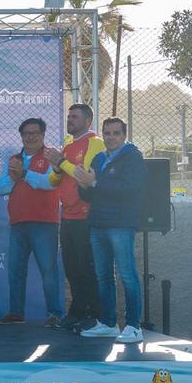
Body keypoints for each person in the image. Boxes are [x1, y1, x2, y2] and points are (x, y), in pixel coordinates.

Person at [77, 117, 147, 343]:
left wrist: (95, 183)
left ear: (124, 135)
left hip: (121, 224)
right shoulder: (99, 158)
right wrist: (84, 185)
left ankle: (134, 327)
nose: (111, 137)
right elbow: (88, 196)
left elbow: (130, 188)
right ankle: (108, 323)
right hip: (98, 224)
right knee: (103, 276)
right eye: (107, 133)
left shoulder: (133, 157)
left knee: (127, 275)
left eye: (116, 133)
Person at [0, 117, 64, 326]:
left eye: (35, 133)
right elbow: (0, 188)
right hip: (18, 223)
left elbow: (49, 184)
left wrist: (23, 174)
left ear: (43, 135)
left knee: (48, 270)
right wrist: (13, 178)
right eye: (27, 133)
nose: (31, 136)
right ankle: (16, 312)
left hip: (44, 222)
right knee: (15, 269)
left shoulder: (51, 156)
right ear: (22, 136)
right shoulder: (15, 158)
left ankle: (55, 314)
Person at [43, 103, 105, 331]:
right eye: (68, 116)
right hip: (67, 216)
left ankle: (95, 315)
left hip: (86, 216)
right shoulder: (68, 145)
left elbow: (83, 174)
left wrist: (61, 162)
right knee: (72, 268)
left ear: (88, 120)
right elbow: (52, 181)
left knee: (88, 268)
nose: (69, 120)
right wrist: (57, 168)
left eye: (75, 117)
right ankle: (77, 311)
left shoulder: (95, 142)